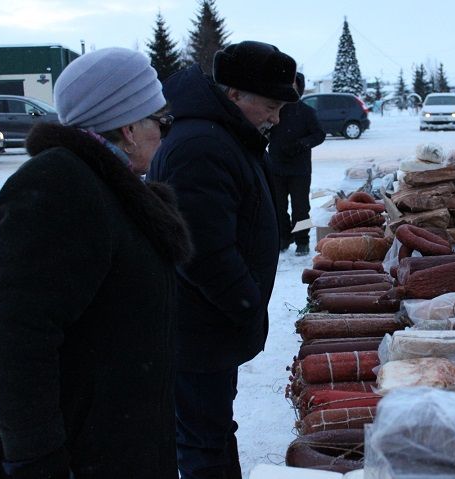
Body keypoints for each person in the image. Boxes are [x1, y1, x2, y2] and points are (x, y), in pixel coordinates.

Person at [0, 47, 192, 479]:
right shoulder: (60, 185)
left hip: (120, 439)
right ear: (129, 128)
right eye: (162, 121)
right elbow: (15, 334)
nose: (166, 133)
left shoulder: (108, 184)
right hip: (83, 453)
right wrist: (36, 458)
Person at [146, 41, 298, 479]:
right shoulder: (200, 145)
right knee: (202, 441)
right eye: (270, 105)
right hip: (196, 329)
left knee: (209, 431)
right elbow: (202, 251)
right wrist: (246, 306)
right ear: (235, 95)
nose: (276, 117)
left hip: (208, 326)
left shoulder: (225, 133)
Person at [268, 72, 325, 255]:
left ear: (299, 87)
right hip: (276, 166)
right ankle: (284, 238)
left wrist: (301, 144)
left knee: (301, 209)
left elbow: (319, 135)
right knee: (278, 207)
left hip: (300, 169)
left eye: (292, 84)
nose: (289, 87)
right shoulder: (274, 109)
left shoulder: (307, 112)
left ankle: (302, 240)